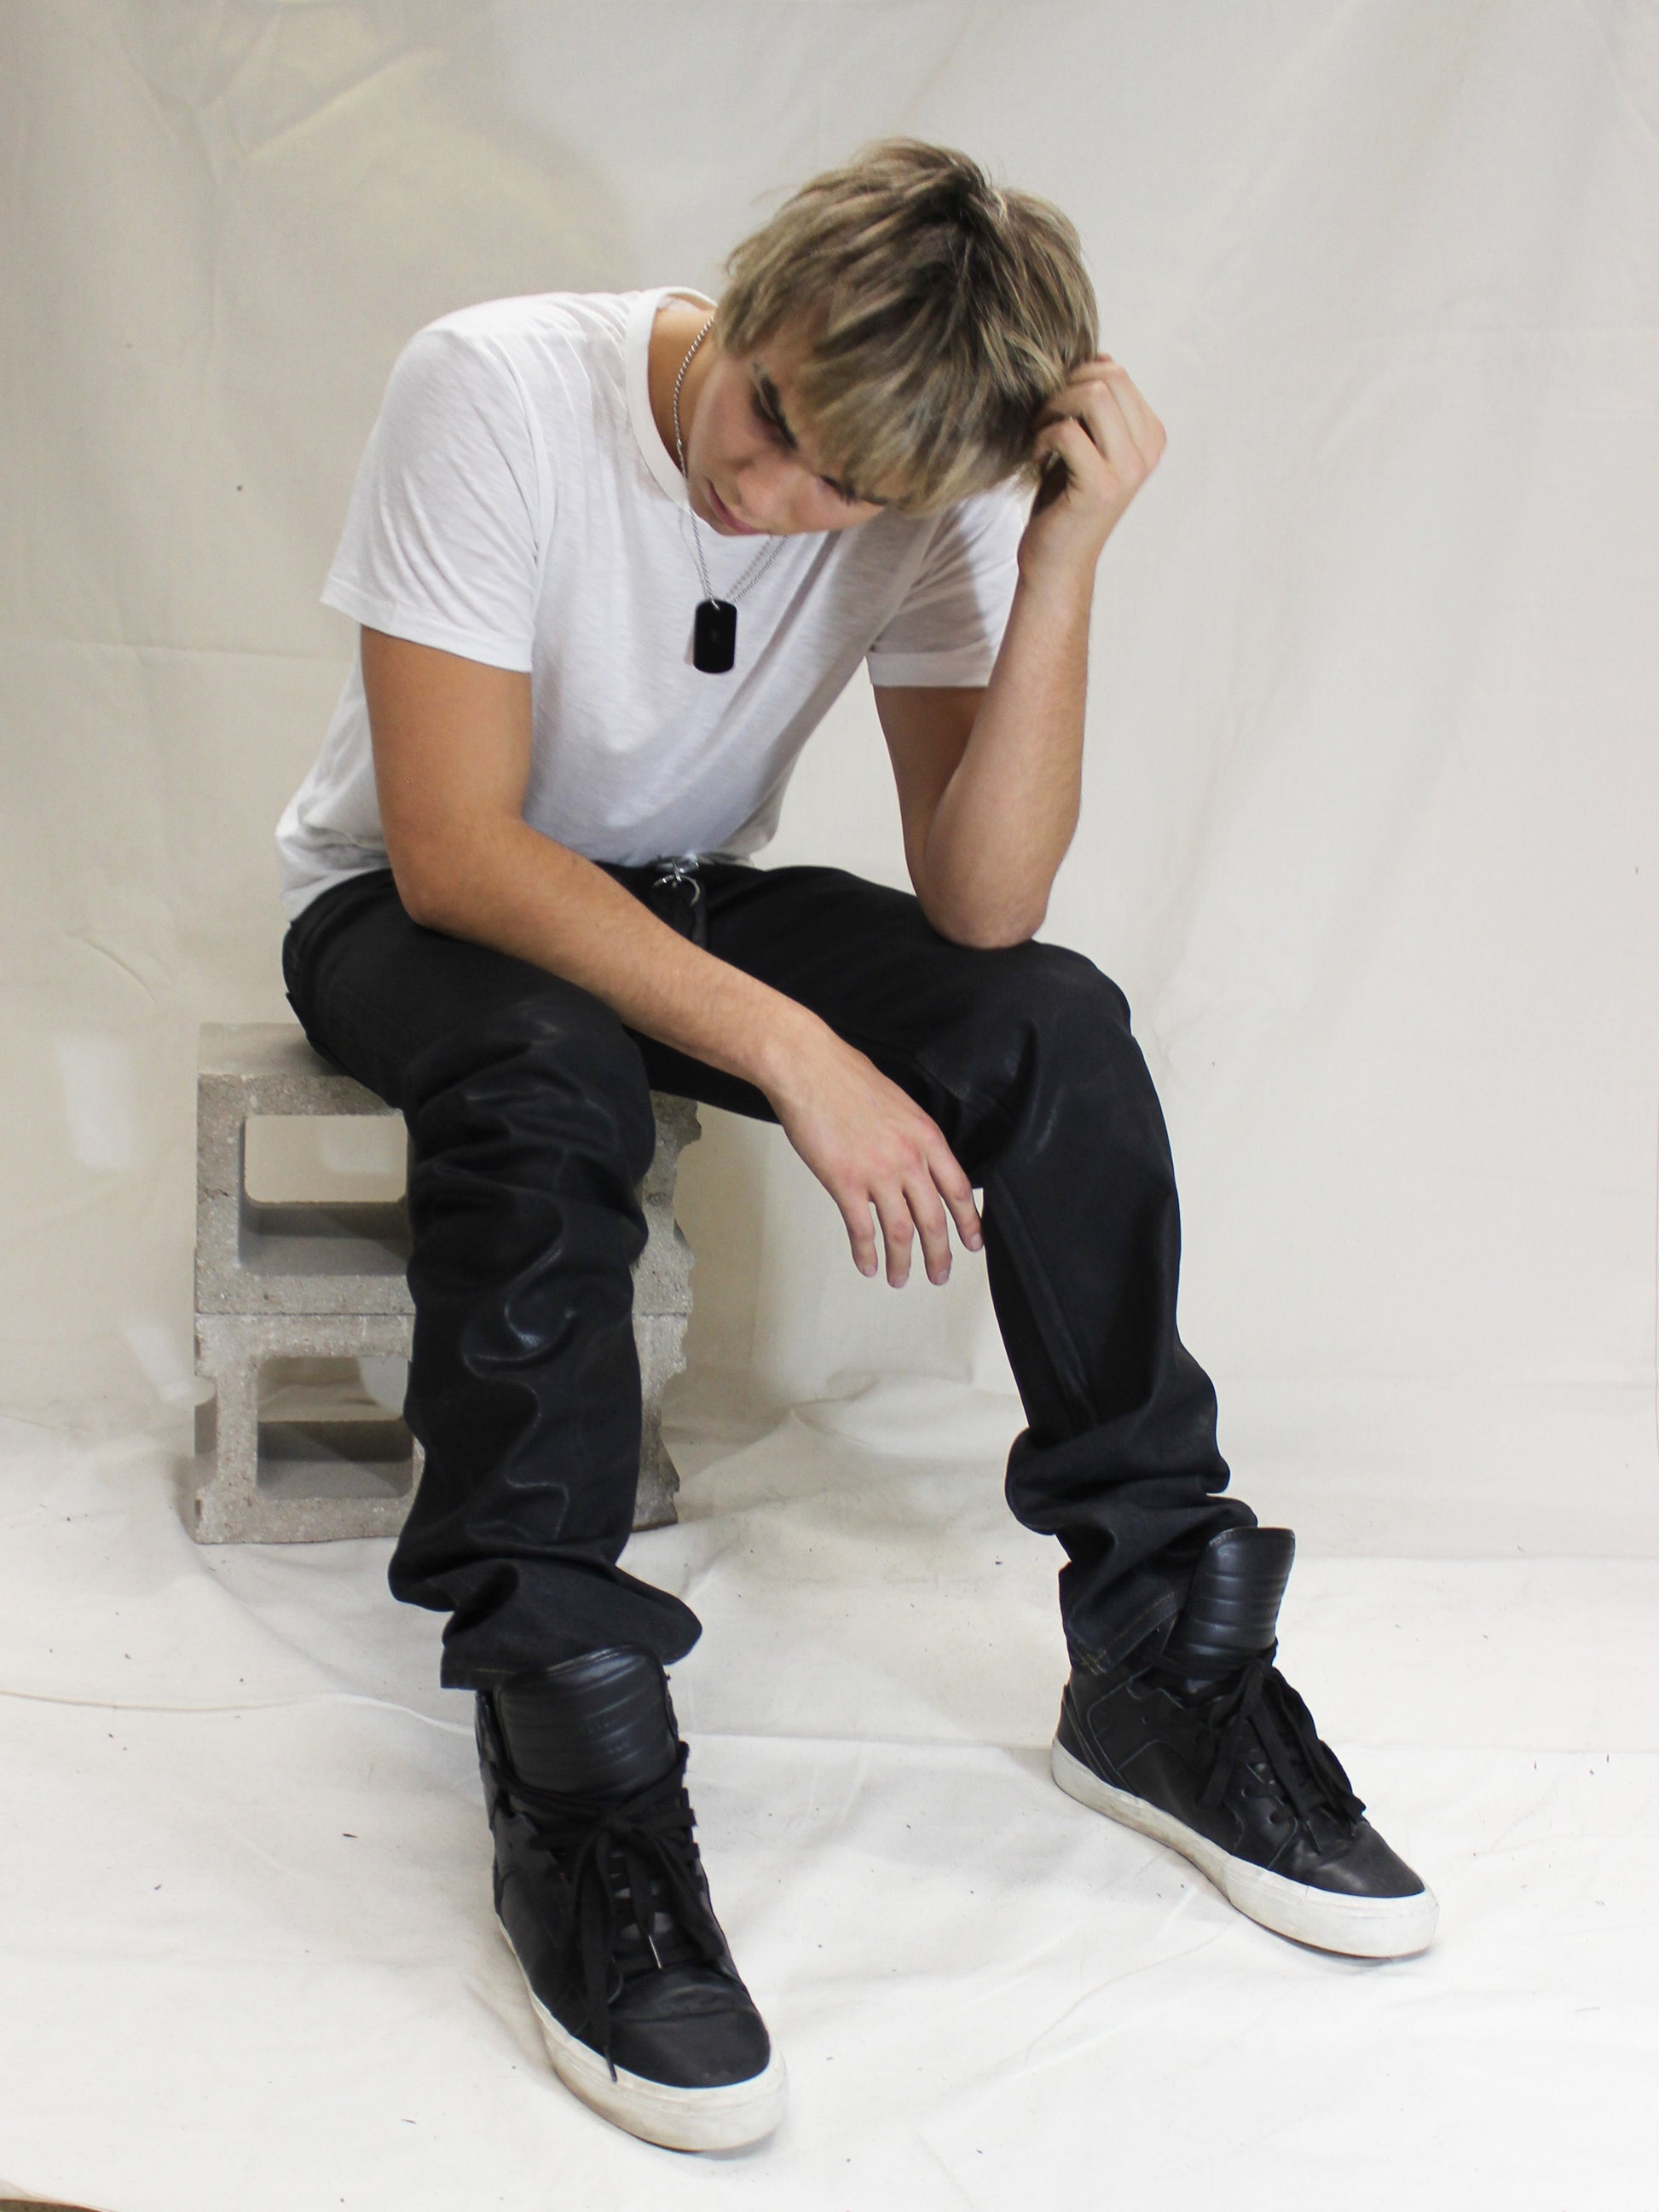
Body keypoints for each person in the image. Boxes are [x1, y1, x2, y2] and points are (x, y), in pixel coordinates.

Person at [275, 138, 1436, 2153]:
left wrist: (1057, 555)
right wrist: (791, 1044)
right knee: (550, 1069)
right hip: (409, 906)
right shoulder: (495, 384)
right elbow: (456, 845)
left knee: (1048, 1019)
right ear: (759, 296)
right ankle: (577, 1770)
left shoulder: (908, 483)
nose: (777, 494)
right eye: (772, 418)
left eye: (850, 492)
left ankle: (1159, 1657)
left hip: (668, 890)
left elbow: (983, 907)